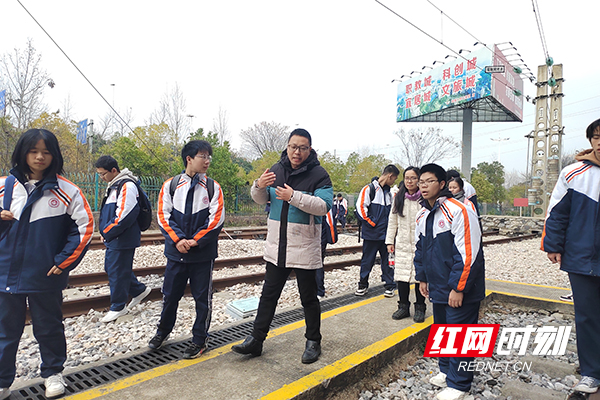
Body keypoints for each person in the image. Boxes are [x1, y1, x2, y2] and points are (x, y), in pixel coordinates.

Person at [0, 129, 94, 399]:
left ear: (54, 155)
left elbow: (85, 227)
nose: (40, 157)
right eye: (33, 151)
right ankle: (2, 382)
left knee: (49, 326)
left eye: (46, 151)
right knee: (5, 330)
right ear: (22, 152)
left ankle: (53, 374)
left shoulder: (67, 191)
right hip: (5, 273)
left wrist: (64, 261)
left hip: (45, 274)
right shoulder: (4, 186)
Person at [231, 128, 332, 364]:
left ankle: (313, 341)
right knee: (268, 295)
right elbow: (261, 198)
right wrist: (257, 185)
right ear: (287, 146)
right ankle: (256, 340)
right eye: (293, 147)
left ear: (310, 149)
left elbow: (324, 206)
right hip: (278, 246)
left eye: (303, 148)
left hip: (304, 246)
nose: (297, 152)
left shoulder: (319, 174)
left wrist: (293, 196)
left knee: (308, 298)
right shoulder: (276, 170)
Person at [149, 140, 225, 359]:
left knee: (203, 299)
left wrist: (194, 241)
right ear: (189, 159)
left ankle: (200, 339)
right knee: (170, 296)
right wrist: (178, 240)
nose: (207, 161)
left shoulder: (213, 187)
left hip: (202, 255)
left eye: (209, 156)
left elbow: (216, 220)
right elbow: (163, 215)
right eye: (203, 156)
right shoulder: (171, 185)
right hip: (176, 254)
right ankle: (162, 332)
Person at [414, 163, 484, 400]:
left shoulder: (459, 210)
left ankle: (460, 384)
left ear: (442, 184)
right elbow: (420, 249)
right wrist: (422, 278)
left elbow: (468, 254)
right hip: (437, 285)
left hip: (459, 287)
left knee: (460, 333)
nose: (423, 186)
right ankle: (446, 372)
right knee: (443, 330)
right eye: (420, 182)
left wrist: (458, 287)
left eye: (429, 181)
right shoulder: (423, 214)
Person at [542, 118, 600, 394]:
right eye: (597, 137)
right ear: (590, 141)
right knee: (587, 316)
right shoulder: (573, 173)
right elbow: (556, 214)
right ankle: (591, 372)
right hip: (581, 258)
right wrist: (553, 245)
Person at [95, 156, 151, 323]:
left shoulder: (127, 185)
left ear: (114, 170)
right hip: (116, 236)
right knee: (113, 268)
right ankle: (139, 290)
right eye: (99, 174)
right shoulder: (114, 186)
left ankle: (118, 306)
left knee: (117, 270)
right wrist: (106, 232)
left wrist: (107, 231)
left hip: (122, 237)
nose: (101, 178)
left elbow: (125, 215)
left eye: (103, 174)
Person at [385, 166, 426, 322]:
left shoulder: (424, 198)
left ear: (419, 179)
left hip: (419, 244)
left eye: (413, 178)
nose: (410, 181)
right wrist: (389, 241)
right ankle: (403, 307)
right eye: (407, 178)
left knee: (419, 276)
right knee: (401, 277)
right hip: (402, 243)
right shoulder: (399, 198)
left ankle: (420, 308)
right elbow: (392, 221)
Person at [354, 165, 399, 297]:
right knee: (367, 260)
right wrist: (372, 223)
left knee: (389, 261)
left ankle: (389, 285)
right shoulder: (369, 189)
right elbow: (360, 208)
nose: (394, 182)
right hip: (372, 234)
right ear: (390, 176)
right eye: (394, 179)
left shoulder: (389, 194)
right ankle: (362, 284)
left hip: (386, 236)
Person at [317, 205, 338, 299]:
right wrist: (332, 238)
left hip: (311, 238)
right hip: (320, 238)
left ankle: (315, 290)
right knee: (318, 264)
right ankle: (319, 290)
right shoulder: (323, 202)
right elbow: (330, 222)